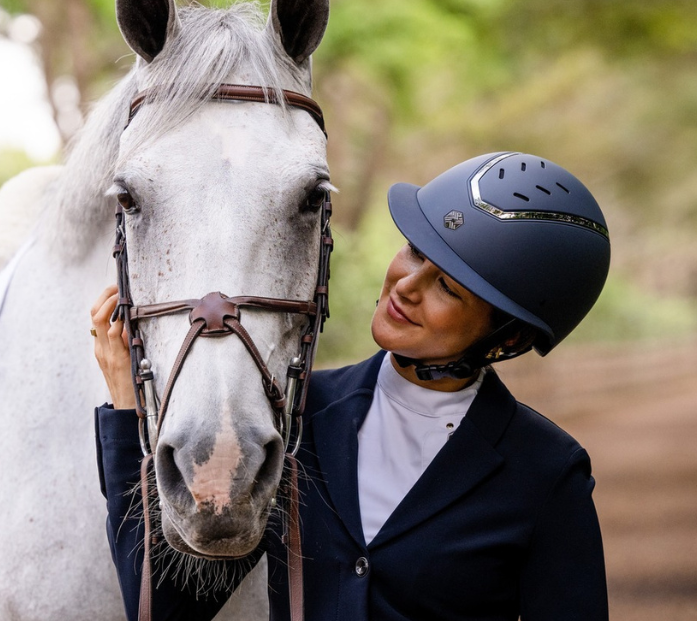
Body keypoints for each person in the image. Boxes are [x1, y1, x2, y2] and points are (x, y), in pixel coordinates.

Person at [93, 151, 611, 621]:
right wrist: (125, 403)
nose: (405, 287)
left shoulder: (547, 473)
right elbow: (163, 610)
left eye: (447, 286)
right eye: (414, 252)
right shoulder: (295, 419)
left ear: (509, 334)